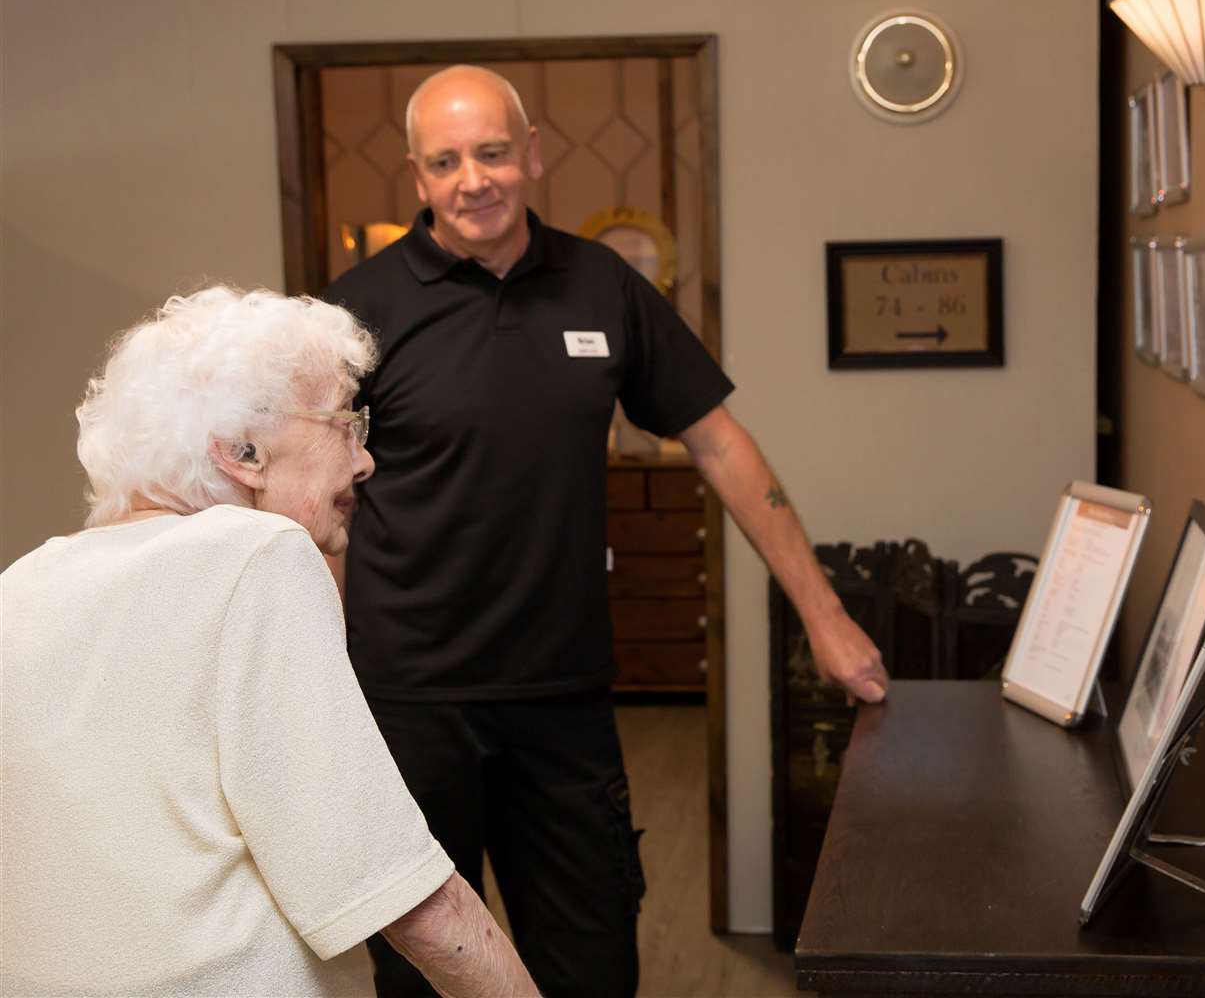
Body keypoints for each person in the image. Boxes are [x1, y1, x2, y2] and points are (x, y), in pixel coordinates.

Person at [321, 65, 890, 998]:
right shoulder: (358, 312)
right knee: (424, 977)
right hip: (410, 700)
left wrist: (822, 617)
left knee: (592, 963)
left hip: (563, 695)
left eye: (494, 152)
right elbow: (308, 498)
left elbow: (719, 444)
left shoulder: (601, 286)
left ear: (532, 154)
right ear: (418, 178)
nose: (475, 179)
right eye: (447, 161)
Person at [0, 287, 538, 997]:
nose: (365, 461)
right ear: (244, 454)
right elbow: (406, 896)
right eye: (346, 424)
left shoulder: (23, 581)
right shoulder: (256, 553)